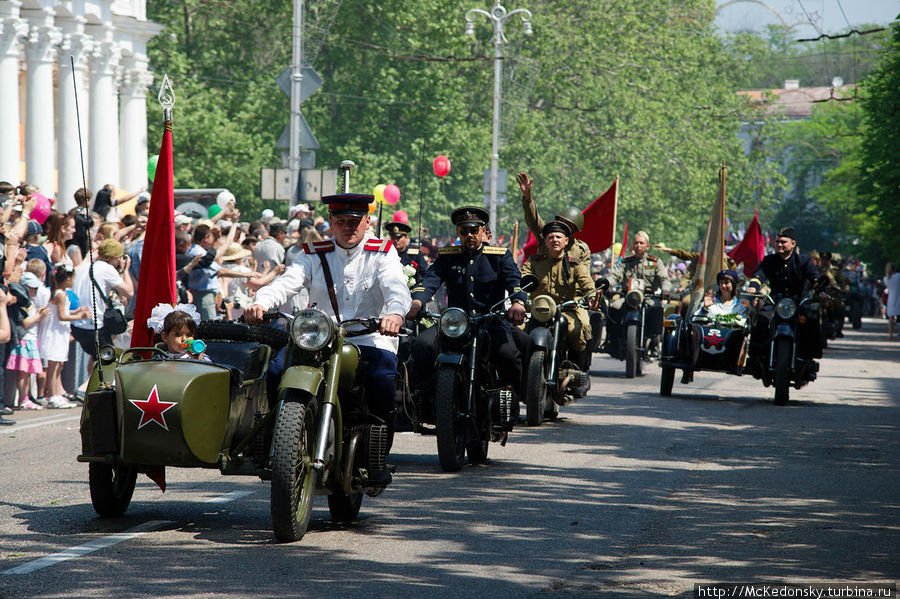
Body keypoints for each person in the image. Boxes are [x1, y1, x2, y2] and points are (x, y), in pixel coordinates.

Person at [245, 193, 410, 485]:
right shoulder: (312, 253)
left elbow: (395, 286)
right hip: (318, 338)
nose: (349, 228)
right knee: (275, 371)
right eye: (341, 221)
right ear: (331, 224)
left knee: (384, 379)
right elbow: (287, 282)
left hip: (368, 337)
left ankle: (377, 455)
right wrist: (262, 302)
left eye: (355, 221)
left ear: (367, 222)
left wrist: (395, 314)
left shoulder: (382, 252)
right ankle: (275, 446)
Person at [407, 206, 529, 403]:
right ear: (458, 233)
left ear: (483, 231)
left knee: (509, 355)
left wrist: (518, 302)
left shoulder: (498, 255)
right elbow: (430, 280)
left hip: (491, 322)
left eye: (474, 230)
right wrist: (416, 303)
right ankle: (424, 399)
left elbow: (514, 280)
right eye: (464, 231)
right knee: (422, 345)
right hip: (455, 324)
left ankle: (510, 402)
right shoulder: (448, 256)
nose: (469, 235)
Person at [521, 220, 596, 372]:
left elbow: (586, 282)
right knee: (518, 331)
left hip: (565, 310)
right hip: (538, 310)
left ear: (566, 240)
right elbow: (522, 281)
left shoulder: (575, 264)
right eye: (550, 237)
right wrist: (518, 299)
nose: (554, 240)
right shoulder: (534, 262)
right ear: (545, 241)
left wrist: (592, 296)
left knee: (576, 332)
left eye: (558, 237)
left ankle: (576, 373)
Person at [745, 226, 820, 367]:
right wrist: (753, 286)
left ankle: (807, 358)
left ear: (793, 243)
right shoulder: (769, 260)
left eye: (783, 242)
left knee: (810, 319)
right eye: (778, 241)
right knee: (761, 319)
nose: (779, 244)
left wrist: (820, 291)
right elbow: (760, 274)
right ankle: (757, 357)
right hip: (775, 302)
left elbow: (814, 278)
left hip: (798, 302)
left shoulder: (803, 261)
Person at [602, 230, 673, 358]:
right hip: (628, 297)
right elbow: (615, 276)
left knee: (657, 309)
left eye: (641, 243)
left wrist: (666, 290)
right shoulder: (625, 262)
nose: (638, 245)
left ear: (647, 246)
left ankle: (654, 342)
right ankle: (613, 340)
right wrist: (607, 284)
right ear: (632, 245)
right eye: (636, 243)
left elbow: (664, 279)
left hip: (648, 297)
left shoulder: (655, 262)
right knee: (614, 308)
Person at [71, 238, 134, 374]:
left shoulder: (85, 266)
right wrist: (125, 270)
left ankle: (88, 387)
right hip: (94, 325)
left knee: (96, 357)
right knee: (105, 360)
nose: (120, 261)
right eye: (119, 258)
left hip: (78, 324)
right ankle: (89, 388)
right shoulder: (106, 269)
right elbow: (129, 292)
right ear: (112, 257)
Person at [40, 265, 91, 408]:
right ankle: (52, 396)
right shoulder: (60, 294)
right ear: (68, 279)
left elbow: (64, 311)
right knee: (54, 365)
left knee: (58, 364)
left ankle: (56, 394)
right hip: (56, 332)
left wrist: (76, 311)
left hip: (59, 332)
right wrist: (81, 316)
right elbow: (62, 316)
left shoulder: (61, 292)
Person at [516, 171, 591, 264]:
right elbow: (533, 220)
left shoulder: (581, 250)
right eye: (562, 222)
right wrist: (527, 198)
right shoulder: (547, 237)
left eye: (569, 225)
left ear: (575, 229)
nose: (564, 227)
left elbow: (584, 275)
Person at [7, 272, 50, 409]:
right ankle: (23, 399)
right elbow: (25, 323)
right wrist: (38, 315)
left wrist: (39, 315)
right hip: (24, 341)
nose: (35, 291)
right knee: (23, 373)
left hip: (31, 340)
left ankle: (27, 397)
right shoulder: (23, 302)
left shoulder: (30, 302)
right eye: (33, 288)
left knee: (28, 373)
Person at [147, 303, 212, 361]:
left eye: (188, 335)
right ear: (165, 337)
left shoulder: (202, 358)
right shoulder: (159, 360)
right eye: (178, 335)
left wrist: (198, 361)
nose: (184, 339)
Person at [384, 221, 426, 287]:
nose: (395, 241)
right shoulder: (384, 255)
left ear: (406, 237)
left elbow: (425, 274)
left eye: (398, 238)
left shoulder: (415, 255)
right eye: (393, 238)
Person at [885, 263, 900, 340]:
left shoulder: (886, 278)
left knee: (891, 317)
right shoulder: (898, 276)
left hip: (891, 298)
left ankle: (890, 333)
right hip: (898, 296)